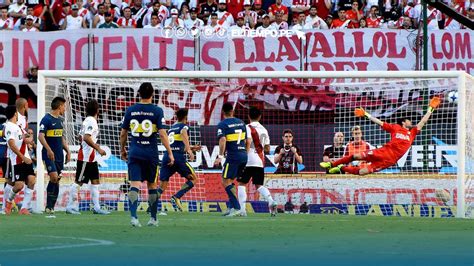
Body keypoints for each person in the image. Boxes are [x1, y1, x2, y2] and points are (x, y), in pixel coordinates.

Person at [321, 97, 441, 175]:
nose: (411, 122)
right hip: (383, 152)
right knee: (356, 156)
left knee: (362, 172)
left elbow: (423, 122)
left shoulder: (412, 133)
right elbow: (379, 122)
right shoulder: (395, 127)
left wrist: (430, 109)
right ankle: (332, 164)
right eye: (409, 120)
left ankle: (341, 168)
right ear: (404, 122)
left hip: (389, 161)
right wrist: (366, 114)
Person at [120, 82, 174, 227]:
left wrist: (122, 149)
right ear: (152, 95)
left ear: (139, 94)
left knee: (134, 185)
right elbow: (162, 134)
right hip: (151, 154)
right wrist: (170, 152)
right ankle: (153, 218)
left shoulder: (130, 110)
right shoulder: (157, 111)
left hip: (135, 152)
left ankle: (133, 217)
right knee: (152, 185)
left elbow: (123, 133)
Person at [66, 100, 110, 215]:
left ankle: (97, 207)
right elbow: (86, 137)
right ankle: (70, 206)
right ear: (97, 110)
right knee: (78, 182)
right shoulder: (91, 121)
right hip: (85, 157)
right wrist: (98, 148)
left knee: (95, 182)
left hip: (91, 158)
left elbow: (81, 138)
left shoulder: (87, 121)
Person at [237, 107, 277, 217]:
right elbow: (268, 149)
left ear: (249, 116)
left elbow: (248, 141)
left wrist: (244, 154)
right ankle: (271, 200)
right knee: (259, 185)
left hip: (248, 160)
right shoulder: (264, 129)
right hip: (260, 161)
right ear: (260, 117)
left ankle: (242, 210)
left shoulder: (246, 127)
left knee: (241, 184)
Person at [158, 108, 200, 212]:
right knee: (193, 179)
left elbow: (178, 144)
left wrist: (191, 147)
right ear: (186, 117)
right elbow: (183, 133)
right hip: (178, 157)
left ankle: (151, 206)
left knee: (163, 184)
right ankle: (176, 197)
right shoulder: (184, 126)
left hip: (167, 156)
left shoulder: (172, 128)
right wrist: (190, 151)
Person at [213, 102, 248, 217]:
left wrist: (220, 156)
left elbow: (222, 140)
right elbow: (248, 140)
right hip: (243, 155)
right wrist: (244, 153)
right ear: (232, 111)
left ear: (223, 112)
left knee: (225, 181)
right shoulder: (242, 123)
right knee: (230, 181)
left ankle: (237, 208)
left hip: (233, 156)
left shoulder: (223, 124)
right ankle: (231, 207)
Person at [38, 96, 71, 215]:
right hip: (48, 154)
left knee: (57, 180)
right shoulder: (46, 119)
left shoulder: (60, 121)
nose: (65, 109)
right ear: (59, 106)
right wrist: (48, 149)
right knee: (53, 177)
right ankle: (48, 206)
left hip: (59, 155)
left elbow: (61, 137)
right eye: (64, 106)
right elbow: (40, 136)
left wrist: (67, 150)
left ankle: (51, 207)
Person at [3, 105, 35, 215]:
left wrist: (30, 140)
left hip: (26, 158)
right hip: (17, 160)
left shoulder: (17, 126)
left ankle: (24, 208)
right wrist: (23, 157)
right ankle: (8, 202)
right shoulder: (9, 127)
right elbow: (11, 144)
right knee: (19, 185)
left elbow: (23, 139)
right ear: (15, 113)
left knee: (31, 180)